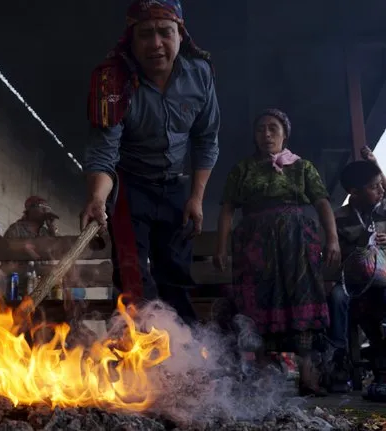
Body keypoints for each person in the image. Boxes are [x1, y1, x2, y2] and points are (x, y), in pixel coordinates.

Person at [80, 0, 220, 324]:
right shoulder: (112, 81)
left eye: (164, 32)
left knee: (175, 274)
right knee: (132, 276)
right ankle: (139, 352)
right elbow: (104, 151)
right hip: (130, 188)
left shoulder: (200, 76)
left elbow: (206, 138)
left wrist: (196, 198)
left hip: (176, 185)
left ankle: (184, 360)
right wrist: (98, 199)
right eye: (145, 34)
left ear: (180, 35)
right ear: (132, 39)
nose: (155, 44)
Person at [213, 108, 341, 396]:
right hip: (255, 246)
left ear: (285, 133)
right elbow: (227, 210)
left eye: (273, 128)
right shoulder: (242, 169)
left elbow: (321, 203)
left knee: (302, 300)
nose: (267, 134)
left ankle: (308, 376)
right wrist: (220, 248)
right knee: (258, 303)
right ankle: (262, 377)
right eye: (260, 129)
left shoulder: (303, 168)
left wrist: (331, 239)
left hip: (298, 244)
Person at [335, 147, 386, 398]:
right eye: (374, 186)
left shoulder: (382, 209)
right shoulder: (341, 217)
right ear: (354, 192)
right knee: (336, 299)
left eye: (381, 184)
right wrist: (364, 245)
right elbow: (339, 258)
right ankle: (339, 364)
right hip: (353, 283)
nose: (381, 190)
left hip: (382, 281)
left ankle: (382, 373)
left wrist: (375, 163)